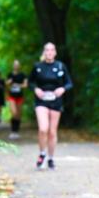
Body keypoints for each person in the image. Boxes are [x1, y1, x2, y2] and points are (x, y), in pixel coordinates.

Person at [30, 42, 73, 170]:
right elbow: (30, 82)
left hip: (56, 101)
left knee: (52, 132)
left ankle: (51, 158)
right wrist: (36, 89)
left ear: (55, 52)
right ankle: (42, 153)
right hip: (41, 100)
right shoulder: (37, 66)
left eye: (51, 50)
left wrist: (62, 89)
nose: (49, 52)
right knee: (43, 128)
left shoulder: (60, 66)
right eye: (47, 50)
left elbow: (69, 83)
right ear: (44, 52)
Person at [6, 59, 28, 139]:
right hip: (12, 96)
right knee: (14, 113)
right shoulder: (10, 74)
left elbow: (25, 85)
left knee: (18, 115)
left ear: (19, 66)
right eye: (15, 64)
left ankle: (16, 131)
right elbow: (6, 84)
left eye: (17, 64)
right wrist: (9, 82)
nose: (16, 66)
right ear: (13, 66)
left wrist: (18, 85)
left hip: (19, 96)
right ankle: (12, 131)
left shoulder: (23, 75)